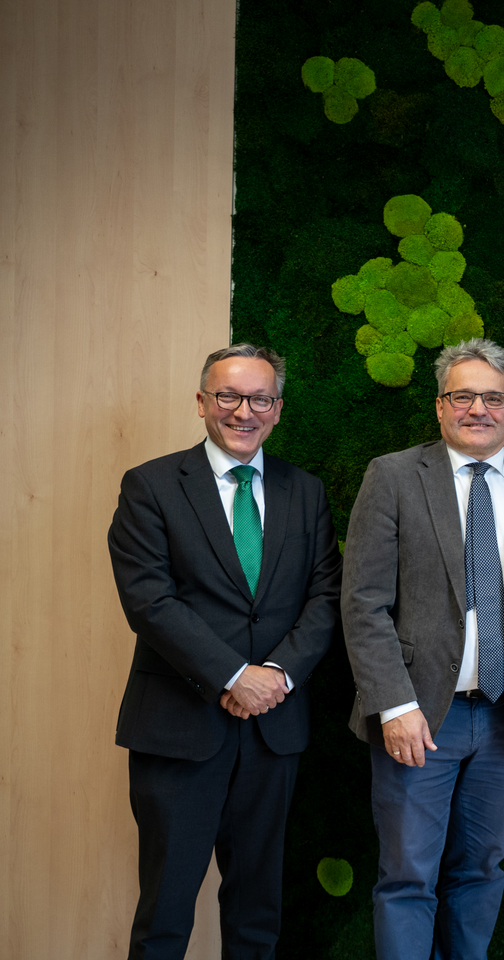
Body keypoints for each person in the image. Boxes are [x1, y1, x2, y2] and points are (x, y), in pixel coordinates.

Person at [341, 338, 504, 960]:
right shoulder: (393, 476)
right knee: (407, 878)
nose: (479, 408)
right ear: (440, 405)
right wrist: (393, 705)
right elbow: (363, 602)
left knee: (481, 872)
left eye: (494, 397)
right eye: (463, 395)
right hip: (420, 718)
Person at [108, 344, 342, 960]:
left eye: (260, 398)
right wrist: (234, 675)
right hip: (180, 728)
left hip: (274, 729)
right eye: (229, 396)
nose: (244, 412)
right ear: (203, 402)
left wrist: (277, 676)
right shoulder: (151, 486)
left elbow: (327, 596)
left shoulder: (306, 491)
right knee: (165, 913)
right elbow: (148, 601)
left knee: (257, 911)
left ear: (278, 408)